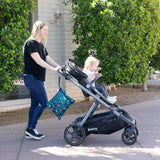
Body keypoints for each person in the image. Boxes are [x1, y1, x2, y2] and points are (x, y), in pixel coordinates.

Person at [23, 20, 61, 140]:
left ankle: (31, 129)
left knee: (35, 104)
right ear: (38, 30)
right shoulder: (30, 44)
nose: (46, 32)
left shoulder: (41, 46)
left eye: (47, 30)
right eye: (45, 30)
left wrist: (59, 67)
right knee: (44, 102)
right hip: (31, 77)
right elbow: (39, 61)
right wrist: (53, 69)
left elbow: (48, 59)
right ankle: (31, 129)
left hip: (38, 78)